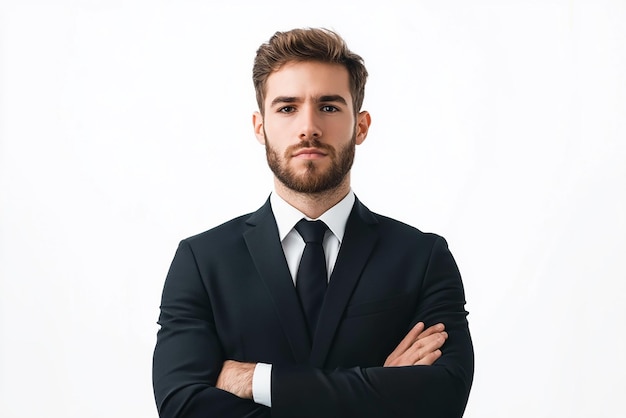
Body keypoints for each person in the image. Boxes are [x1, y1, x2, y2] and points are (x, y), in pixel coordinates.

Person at [152, 27, 474, 418]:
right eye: (287, 108)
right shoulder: (202, 261)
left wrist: (259, 381)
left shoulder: (422, 257)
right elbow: (182, 408)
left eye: (329, 106)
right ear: (260, 127)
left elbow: (442, 398)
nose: (308, 127)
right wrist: (382, 388)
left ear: (361, 125)